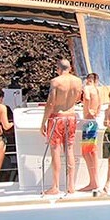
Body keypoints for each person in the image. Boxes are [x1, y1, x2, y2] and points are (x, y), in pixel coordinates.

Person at [41, 58, 82, 195]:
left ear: (58, 69)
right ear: (70, 68)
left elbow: (50, 103)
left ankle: (56, 186)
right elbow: (78, 98)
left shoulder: (55, 82)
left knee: (55, 150)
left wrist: (43, 122)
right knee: (69, 149)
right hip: (71, 116)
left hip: (57, 117)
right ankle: (71, 185)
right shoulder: (77, 81)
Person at [78, 73, 100, 192]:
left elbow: (86, 98)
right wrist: (96, 111)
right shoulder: (97, 90)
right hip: (94, 122)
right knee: (92, 152)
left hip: (88, 122)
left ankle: (93, 182)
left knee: (87, 152)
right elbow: (100, 104)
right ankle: (94, 181)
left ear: (88, 80)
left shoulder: (87, 88)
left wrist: (87, 110)